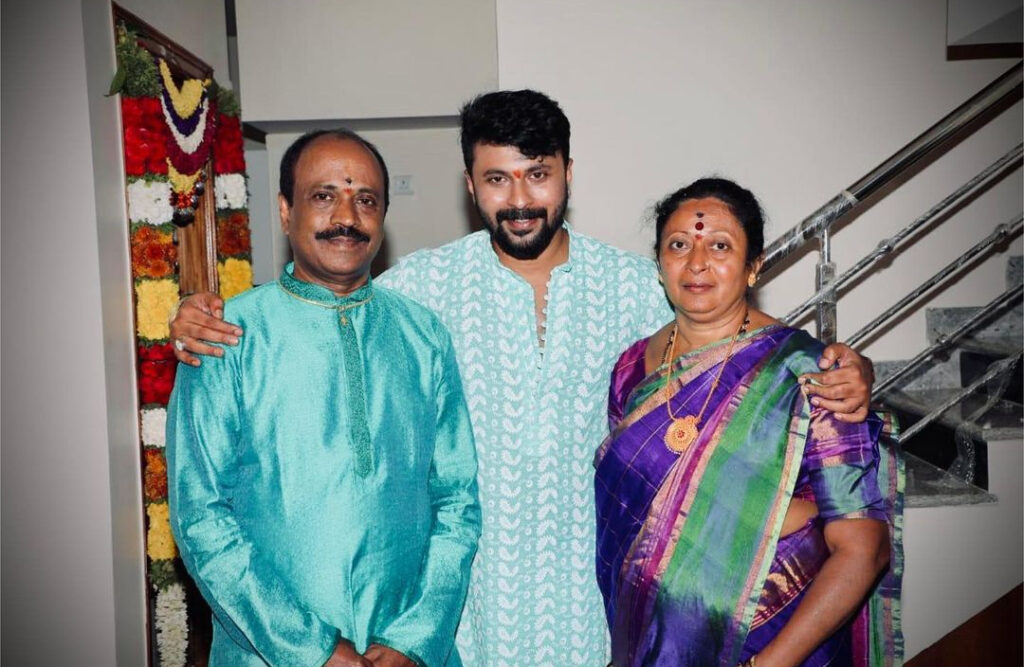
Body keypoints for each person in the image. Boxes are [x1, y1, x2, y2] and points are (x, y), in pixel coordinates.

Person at [168, 91, 875, 666]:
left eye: (538, 173)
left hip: (597, 613)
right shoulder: (424, 287)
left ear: (568, 172)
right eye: (497, 178)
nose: (520, 198)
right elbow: (327, 295)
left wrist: (850, 364)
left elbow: (733, 331)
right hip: (462, 618)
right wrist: (201, 316)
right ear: (470, 184)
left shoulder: (637, 286)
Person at [167, 129, 481, 667]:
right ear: (286, 210)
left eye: (366, 200)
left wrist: (415, 637)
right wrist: (310, 649)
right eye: (323, 195)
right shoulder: (228, 334)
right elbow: (200, 516)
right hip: (269, 652)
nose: (347, 216)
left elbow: (457, 499)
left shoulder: (423, 335)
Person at [595, 178, 902, 667]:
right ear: (659, 264)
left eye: (719, 245)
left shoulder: (808, 374)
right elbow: (632, 515)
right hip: (644, 639)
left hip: (767, 639)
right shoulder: (632, 369)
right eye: (678, 245)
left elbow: (863, 549)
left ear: (753, 266)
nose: (696, 263)